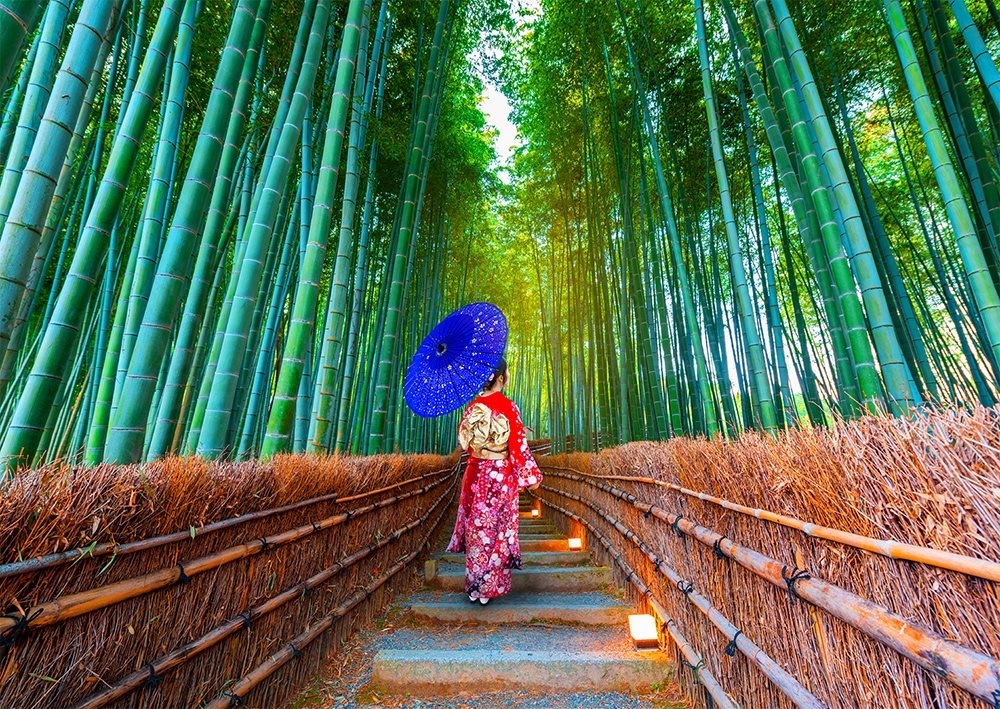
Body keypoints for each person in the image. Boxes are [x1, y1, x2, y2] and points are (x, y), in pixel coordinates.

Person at [446, 357, 541, 604]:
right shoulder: (509, 407)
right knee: (498, 528)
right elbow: (518, 447)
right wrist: (531, 476)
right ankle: (488, 585)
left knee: (478, 528)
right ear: (500, 377)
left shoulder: (472, 407)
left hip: (475, 471)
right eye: (507, 371)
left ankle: (475, 584)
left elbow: (465, 442)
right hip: (499, 474)